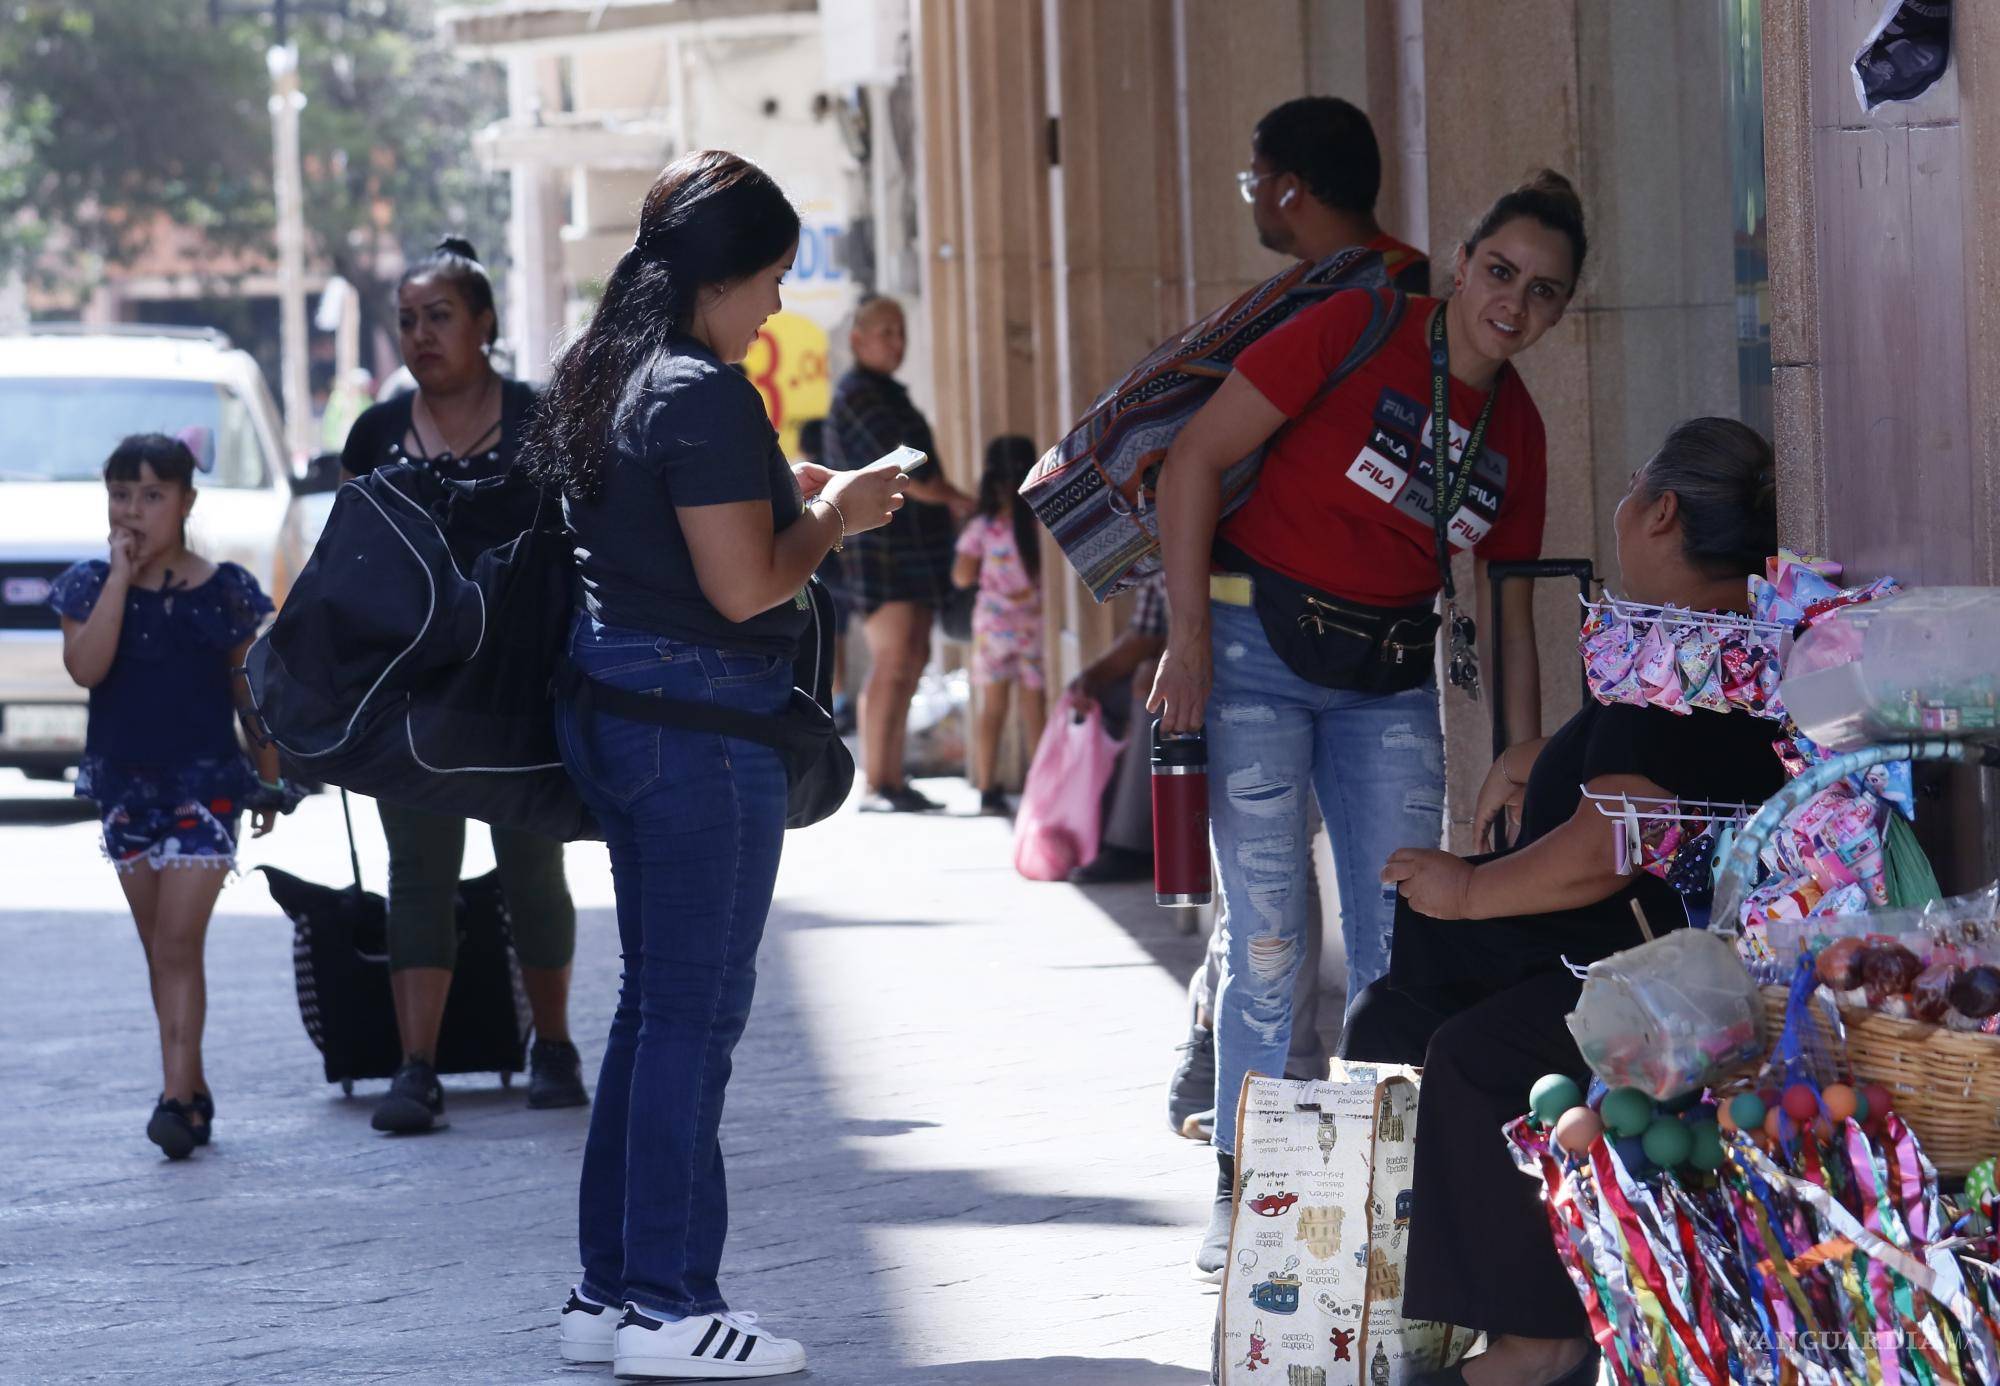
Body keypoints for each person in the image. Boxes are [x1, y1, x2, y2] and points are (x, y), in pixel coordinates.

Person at [1151, 171, 1588, 1277]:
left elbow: (1505, 599)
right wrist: (1188, 640)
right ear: (1459, 262)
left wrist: (1514, 756)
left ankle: (1385, 1201)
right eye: (1498, 271)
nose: (1511, 303)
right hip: (1253, 657)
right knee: (1266, 941)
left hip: (1390, 679)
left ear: (1556, 313)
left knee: (1401, 943)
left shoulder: (1517, 426)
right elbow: (1195, 459)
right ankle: (1248, 1196)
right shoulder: (1354, 327)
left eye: (1540, 292)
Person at [526, 149, 909, 1380]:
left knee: (654, 1005)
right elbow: (744, 582)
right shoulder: (701, 389)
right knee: (694, 1015)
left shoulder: (608, 370)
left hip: (621, 715)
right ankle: (671, 1308)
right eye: (770, 282)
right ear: (720, 278)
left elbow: (672, 525)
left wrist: (781, 490)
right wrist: (837, 513)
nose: (777, 309)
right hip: (696, 732)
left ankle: (607, 1295)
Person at [1343, 419, 1787, 1386]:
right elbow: (1671, 769)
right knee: (1408, 1015)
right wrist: (1543, 759)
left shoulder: (1680, 657)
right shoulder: (1717, 643)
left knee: (1473, 1053)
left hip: (1678, 985)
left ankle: (1539, 1344)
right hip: (1655, 954)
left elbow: (1618, 834)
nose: (1625, 507)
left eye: (1634, 488)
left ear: (1662, 511)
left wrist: (1468, 890)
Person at [338, 237, 587, 1133]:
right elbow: (349, 570)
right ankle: (417, 1069)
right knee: (419, 875)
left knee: (533, 868)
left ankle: (552, 1045)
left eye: (439, 316)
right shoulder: (374, 434)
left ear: (484, 323)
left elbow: (577, 551)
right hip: (411, 694)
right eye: (407, 321)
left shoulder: (540, 422)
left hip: (522, 687)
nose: (420, 335)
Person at [50, 432, 285, 1159]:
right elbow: (87, 668)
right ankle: (191, 1083)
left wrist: (272, 774)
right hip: (124, 788)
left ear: (186, 502)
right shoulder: (87, 587)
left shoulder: (225, 591)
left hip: (207, 787)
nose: (134, 511)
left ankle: (175, 1099)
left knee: (180, 942)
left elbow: (249, 693)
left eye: (152, 495)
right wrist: (122, 578)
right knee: (161, 949)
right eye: (121, 495)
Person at [824, 295, 976, 813]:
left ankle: (892, 778)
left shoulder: (885, 392)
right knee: (893, 661)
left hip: (911, 545)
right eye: (885, 331)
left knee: (912, 656)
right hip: (882, 548)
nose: (896, 341)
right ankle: (877, 782)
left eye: (901, 330)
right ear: (858, 339)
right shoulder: (860, 396)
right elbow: (905, 472)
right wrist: (955, 498)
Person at [1242, 95, 1431, 292]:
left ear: (1289, 189)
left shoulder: (1400, 291)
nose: (1253, 194)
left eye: (1255, 180)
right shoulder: (1405, 276)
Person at [951, 434, 1046, 816]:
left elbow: (961, 576)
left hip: (993, 627)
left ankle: (989, 788)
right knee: (1033, 707)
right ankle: (1040, 787)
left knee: (992, 709)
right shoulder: (1041, 521)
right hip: (1034, 626)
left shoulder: (983, 525)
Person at [797, 418, 855, 733]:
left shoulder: (808, 484)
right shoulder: (838, 481)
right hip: (841, 574)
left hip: (813, 573)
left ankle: (829, 702)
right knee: (836, 637)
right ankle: (839, 701)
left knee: (822, 640)